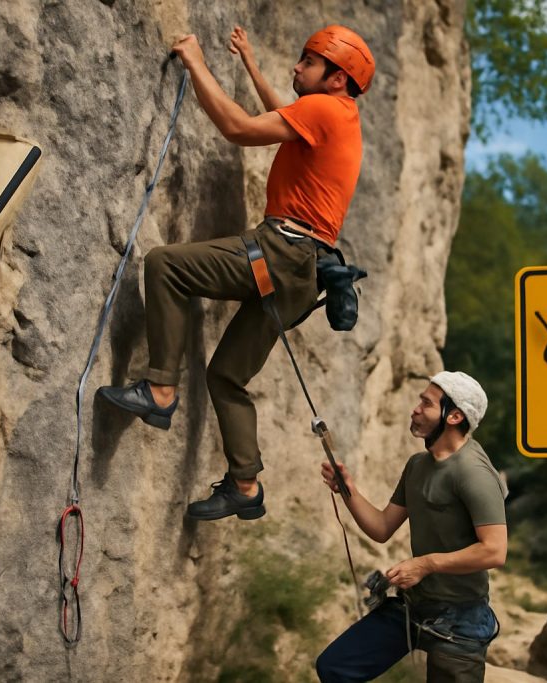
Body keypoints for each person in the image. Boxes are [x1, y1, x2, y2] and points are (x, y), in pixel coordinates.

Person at [97, 25, 375, 521]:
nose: (296, 67)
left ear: (336, 78)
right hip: (304, 274)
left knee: (166, 265)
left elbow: (242, 130)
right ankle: (245, 485)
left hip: (282, 250)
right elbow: (279, 113)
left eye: (307, 63)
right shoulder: (338, 115)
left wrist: (195, 61)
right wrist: (248, 60)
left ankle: (160, 389)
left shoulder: (325, 109)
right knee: (226, 376)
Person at [316, 372, 508, 682]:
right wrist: (347, 489)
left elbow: (495, 552)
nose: (415, 409)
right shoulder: (418, 465)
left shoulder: (474, 473)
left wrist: (425, 564)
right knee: (335, 668)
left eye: (426, 403)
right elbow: (381, 527)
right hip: (413, 608)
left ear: (454, 415)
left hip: (461, 621)